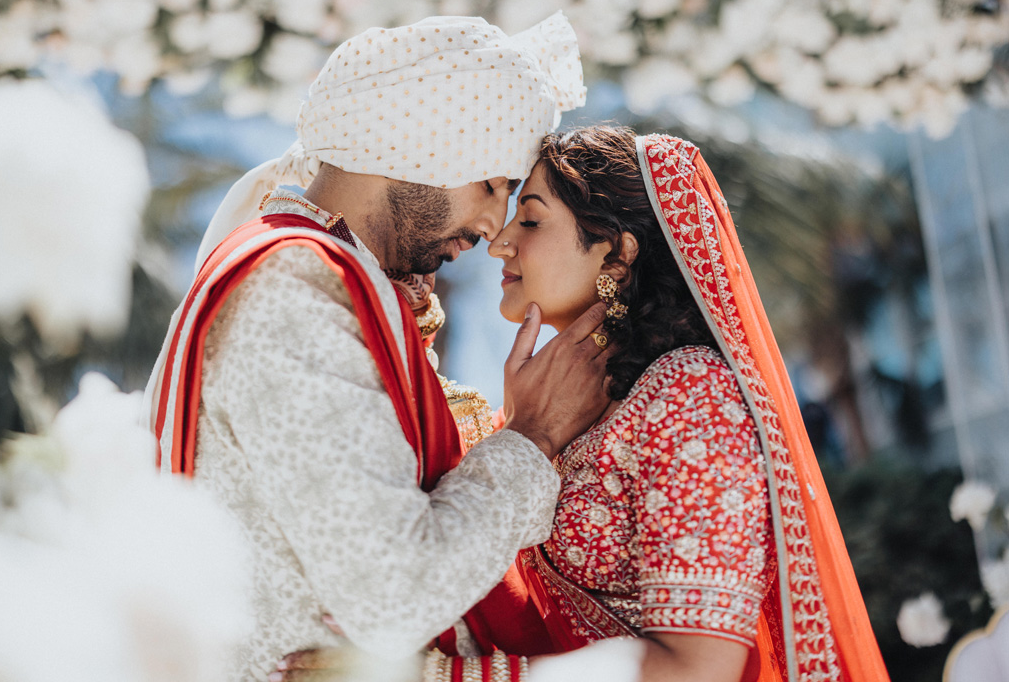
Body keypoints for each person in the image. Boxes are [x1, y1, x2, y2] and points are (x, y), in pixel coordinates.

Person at [278, 125, 890, 682]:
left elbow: (698, 671)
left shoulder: (691, 395)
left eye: (532, 221)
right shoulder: (574, 407)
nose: (499, 244)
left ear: (617, 255)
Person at [145, 13, 616, 682]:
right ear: (419, 148)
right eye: (490, 186)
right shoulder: (295, 293)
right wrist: (532, 438)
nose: (490, 227)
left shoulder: (323, 279)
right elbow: (394, 598)